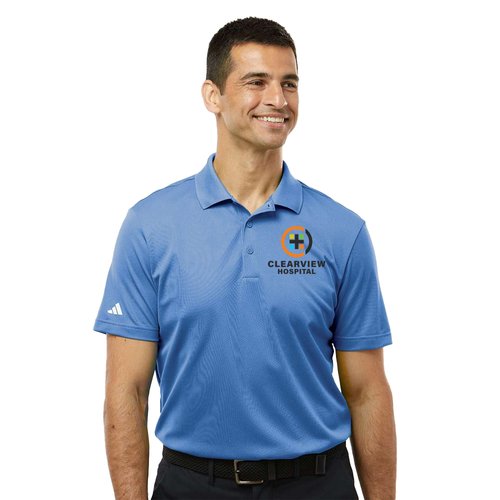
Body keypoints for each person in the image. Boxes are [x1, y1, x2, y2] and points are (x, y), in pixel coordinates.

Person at [94, 16, 396, 500]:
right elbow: (126, 392)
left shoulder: (343, 231)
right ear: (212, 96)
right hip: (192, 485)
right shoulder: (150, 227)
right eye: (257, 82)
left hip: (317, 485)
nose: (278, 99)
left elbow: (367, 391)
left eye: (289, 83)